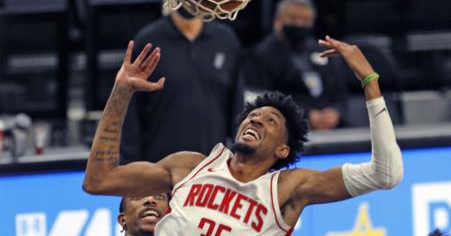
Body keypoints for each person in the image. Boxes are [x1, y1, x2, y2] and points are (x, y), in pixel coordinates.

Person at [83, 36, 403, 235]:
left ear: (282, 149)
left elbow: (386, 174)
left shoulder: (287, 189)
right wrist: (121, 92)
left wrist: (369, 82)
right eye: (252, 115)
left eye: (270, 120)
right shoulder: (189, 166)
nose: (256, 119)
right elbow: (98, 180)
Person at [120, 7, 244, 164]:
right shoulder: (148, 41)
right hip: (159, 172)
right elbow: (131, 114)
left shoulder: (226, 39)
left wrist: (241, 160)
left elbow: (237, 109)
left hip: (211, 171)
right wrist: (128, 171)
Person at [248, 0, 348, 130]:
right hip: (287, 128)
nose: (299, 24)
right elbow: (263, 99)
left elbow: (340, 91)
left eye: (305, 20)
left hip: (333, 127)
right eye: (293, 19)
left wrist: (337, 112)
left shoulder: (322, 49)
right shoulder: (262, 54)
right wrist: (305, 115)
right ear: (278, 20)